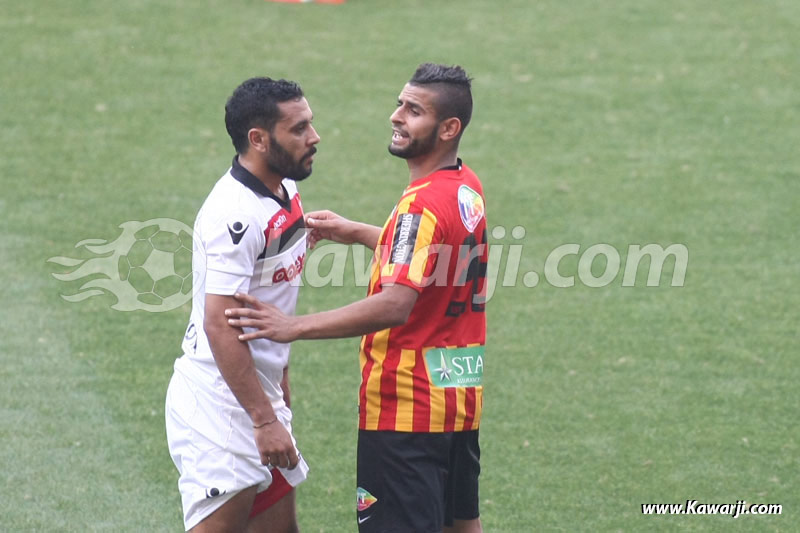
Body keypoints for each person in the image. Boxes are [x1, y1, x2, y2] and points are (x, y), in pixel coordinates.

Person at [226, 63, 488, 533]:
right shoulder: (465, 187)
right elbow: (438, 261)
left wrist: (293, 327)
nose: (396, 117)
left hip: (405, 411)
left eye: (413, 111)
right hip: (458, 400)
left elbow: (395, 304)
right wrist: (362, 232)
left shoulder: (419, 205)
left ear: (448, 128)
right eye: (400, 104)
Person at [165, 76, 320, 532]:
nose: (314, 137)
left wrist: (280, 380)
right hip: (222, 408)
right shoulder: (233, 215)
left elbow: (270, 300)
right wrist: (263, 418)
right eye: (299, 129)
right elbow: (219, 325)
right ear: (258, 139)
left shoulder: (284, 189)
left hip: (259, 394)